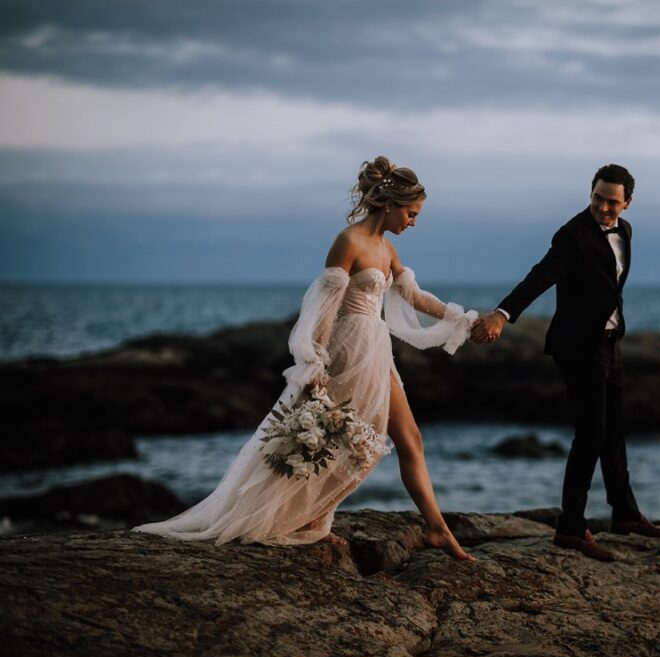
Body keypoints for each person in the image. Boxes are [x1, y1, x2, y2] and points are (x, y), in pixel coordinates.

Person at [134, 156, 476, 561]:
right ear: (389, 203)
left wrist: (464, 319)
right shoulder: (348, 242)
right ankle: (307, 522)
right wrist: (314, 364)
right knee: (338, 440)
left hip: (376, 350)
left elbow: (414, 297)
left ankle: (434, 528)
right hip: (347, 350)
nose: (413, 222)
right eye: (411, 213)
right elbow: (322, 309)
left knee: (403, 439)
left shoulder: (387, 248)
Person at [472, 164, 660, 562]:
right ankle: (570, 526)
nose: (602, 207)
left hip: (610, 341)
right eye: (597, 197)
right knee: (591, 433)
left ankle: (625, 514)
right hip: (578, 347)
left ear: (627, 203)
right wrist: (502, 314)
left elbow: (609, 286)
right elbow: (540, 276)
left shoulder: (626, 232)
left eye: (612, 201)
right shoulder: (572, 235)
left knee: (615, 428)